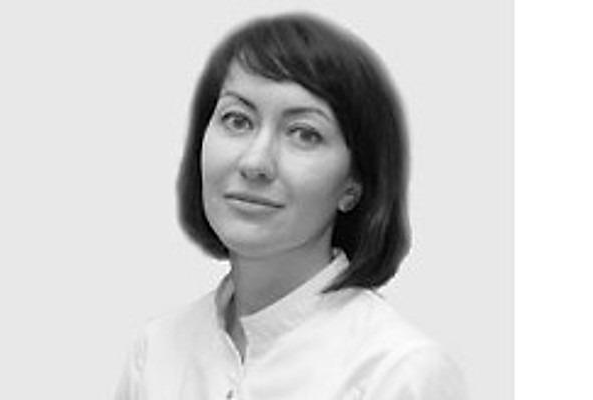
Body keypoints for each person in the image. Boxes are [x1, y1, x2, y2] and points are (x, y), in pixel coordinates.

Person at [115, 13, 467, 400]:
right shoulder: (157, 352)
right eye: (237, 120)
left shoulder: (399, 373)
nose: (255, 162)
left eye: (304, 134)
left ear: (353, 185)